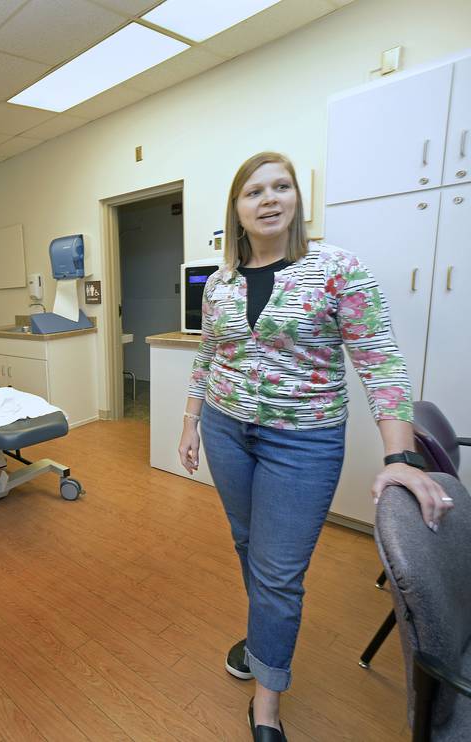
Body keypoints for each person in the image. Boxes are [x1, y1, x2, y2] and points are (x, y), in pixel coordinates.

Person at [177, 152, 453, 741]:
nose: (269, 198)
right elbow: (208, 354)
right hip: (225, 429)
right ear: (238, 209)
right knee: (249, 544)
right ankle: (263, 638)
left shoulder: (337, 268)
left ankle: (267, 704)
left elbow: (380, 362)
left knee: (279, 573)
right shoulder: (221, 281)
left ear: (297, 200)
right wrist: (190, 420)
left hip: (301, 443)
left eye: (282, 187)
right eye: (254, 191)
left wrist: (400, 456)